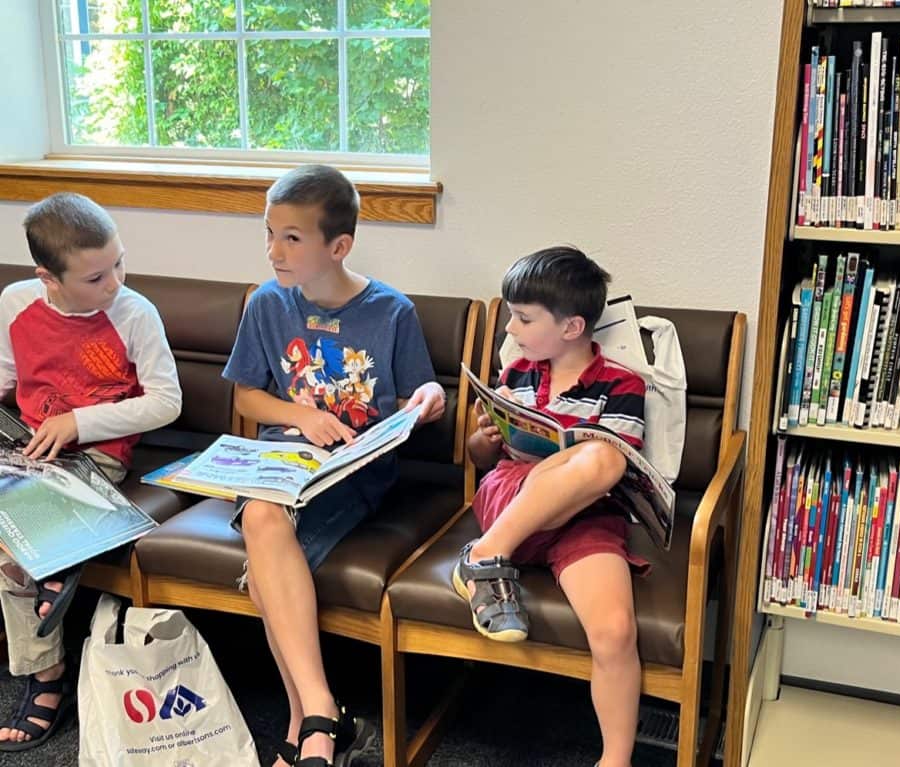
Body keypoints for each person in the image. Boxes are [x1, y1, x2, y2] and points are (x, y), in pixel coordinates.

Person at [223, 164, 445, 767]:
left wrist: (429, 401)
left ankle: (304, 725)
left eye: (292, 238)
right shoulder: (267, 304)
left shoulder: (390, 312)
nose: (274, 250)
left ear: (338, 246)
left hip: (353, 471)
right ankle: (320, 717)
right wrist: (300, 415)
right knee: (265, 516)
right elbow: (247, 397)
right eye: (269, 233)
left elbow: (415, 397)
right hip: (279, 461)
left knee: (266, 559)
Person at [0, 192, 182, 751]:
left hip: (98, 451)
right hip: (27, 444)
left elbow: (166, 401)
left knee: (14, 551)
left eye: (119, 263)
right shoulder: (16, 303)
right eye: (97, 277)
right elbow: (7, 379)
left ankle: (44, 678)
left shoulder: (134, 312)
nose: (116, 283)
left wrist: (80, 422)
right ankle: (63, 554)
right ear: (48, 279)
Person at [455, 246, 647, 767]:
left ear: (572, 327)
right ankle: (488, 553)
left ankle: (615, 759)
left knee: (614, 630)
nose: (511, 329)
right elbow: (481, 460)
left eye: (523, 318)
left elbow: (622, 469)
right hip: (510, 503)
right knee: (598, 460)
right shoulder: (515, 373)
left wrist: (559, 465)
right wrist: (485, 435)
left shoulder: (621, 386)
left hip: (585, 516)